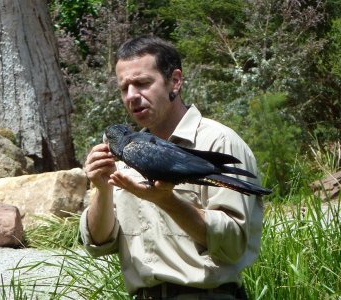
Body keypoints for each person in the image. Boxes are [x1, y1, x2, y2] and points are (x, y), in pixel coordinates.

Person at [80, 35, 263, 300]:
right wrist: (101, 189)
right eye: (124, 88)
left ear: (175, 81)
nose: (132, 96)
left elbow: (234, 245)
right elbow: (98, 244)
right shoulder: (127, 156)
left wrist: (167, 201)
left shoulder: (218, 141)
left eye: (142, 83)